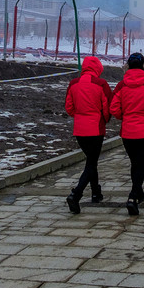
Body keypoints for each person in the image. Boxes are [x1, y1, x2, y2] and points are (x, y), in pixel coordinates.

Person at [109, 52, 144, 216]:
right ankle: (133, 197)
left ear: (127, 67)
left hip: (127, 131)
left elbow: (114, 108)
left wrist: (124, 117)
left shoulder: (121, 85)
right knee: (141, 164)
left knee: (135, 163)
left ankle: (139, 193)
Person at [63, 55, 112, 213]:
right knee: (91, 163)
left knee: (92, 161)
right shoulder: (101, 84)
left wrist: (79, 116)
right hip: (95, 128)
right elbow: (107, 107)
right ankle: (76, 194)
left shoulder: (73, 84)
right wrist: (104, 119)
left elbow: (69, 107)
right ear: (98, 68)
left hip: (79, 129)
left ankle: (96, 192)